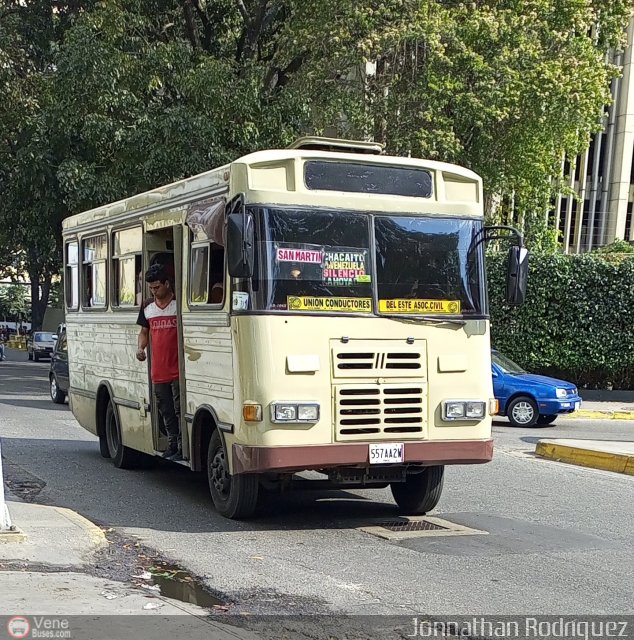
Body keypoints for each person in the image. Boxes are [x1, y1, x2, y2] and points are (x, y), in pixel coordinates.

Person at [136, 264, 182, 460]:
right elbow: (144, 332)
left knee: (180, 409)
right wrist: (140, 348)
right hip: (158, 370)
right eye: (151, 288)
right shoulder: (148, 307)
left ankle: (182, 444)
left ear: (167, 283)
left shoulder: (178, 304)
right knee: (166, 410)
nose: (154, 291)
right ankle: (172, 444)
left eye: (157, 287)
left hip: (179, 370)